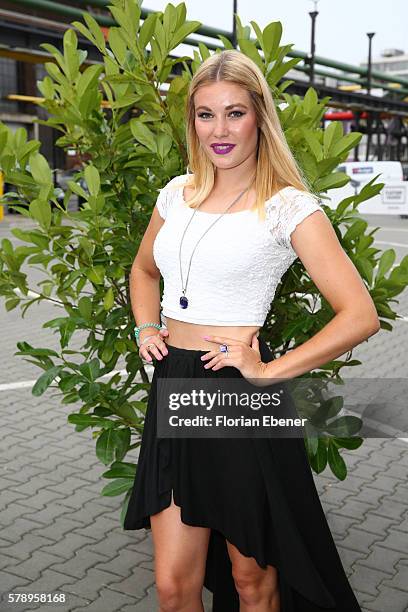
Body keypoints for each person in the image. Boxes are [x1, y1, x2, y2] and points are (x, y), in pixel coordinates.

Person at [123, 49, 380, 612]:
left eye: (235, 113)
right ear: (191, 120)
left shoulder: (288, 207)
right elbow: (143, 270)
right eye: (205, 114)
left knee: (252, 581)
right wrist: (147, 324)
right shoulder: (176, 192)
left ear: (260, 117)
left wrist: (268, 372)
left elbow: (360, 314)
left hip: (237, 393)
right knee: (173, 585)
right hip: (174, 384)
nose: (219, 129)